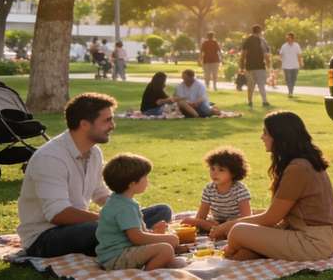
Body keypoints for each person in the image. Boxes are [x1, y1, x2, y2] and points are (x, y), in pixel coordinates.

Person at [17, 93, 173, 257]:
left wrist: (129, 213)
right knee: (98, 228)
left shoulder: (94, 152)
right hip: (46, 237)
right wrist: (108, 220)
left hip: (84, 227)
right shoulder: (50, 158)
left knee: (161, 212)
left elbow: (100, 194)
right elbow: (58, 214)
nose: (113, 125)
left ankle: (135, 239)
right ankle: (137, 240)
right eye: (107, 120)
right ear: (84, 124)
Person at [211, 111, 333, 261]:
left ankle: (231, 254)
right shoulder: (301, 162)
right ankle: (246, 252)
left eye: (265, 133)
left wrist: (226, 226)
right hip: (313, 235)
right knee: (246, 232)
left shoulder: (298, 168)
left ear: (280, 137)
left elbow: (271, 218)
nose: (262, 137)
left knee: (237, 231)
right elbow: (275, 214)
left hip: (313, 242)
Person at [96, 153, 182, 271]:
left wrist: (154, 232)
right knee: (166, 249)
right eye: (145, 177)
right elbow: (137, 238)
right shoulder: (125, 207)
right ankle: (145, 275)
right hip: (117, 257)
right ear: (132, 184)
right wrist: (166, 238)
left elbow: (136, 233)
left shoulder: (117, 200)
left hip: (115, 254)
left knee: (168, 243)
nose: (148, 181)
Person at [182, 147, 251, 232]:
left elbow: (247, 217)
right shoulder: (209, 189)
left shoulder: (240, 190)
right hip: (216, 222)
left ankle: (221, 230)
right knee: (192, 222)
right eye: (212, 169)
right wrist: (198, 222)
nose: (215, 173)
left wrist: (228, 224)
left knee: (234, 226)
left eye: (221, 170)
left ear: (233, 173)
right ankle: (218, 230)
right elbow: (201, 216)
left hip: (234, 223)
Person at [241, 25, 272, 109]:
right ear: (260, 31)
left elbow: (243, 54)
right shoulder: (262, 41)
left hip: (249, 66)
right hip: (260, 66)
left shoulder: (247, 40)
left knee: (250, 85)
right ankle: (264, 101)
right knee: (261, 84)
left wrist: (241, 66)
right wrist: (268, 65)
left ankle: (250, 101)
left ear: (252, 31)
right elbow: (266, 55)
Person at [278, 33, 303, 98]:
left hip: (295, 66)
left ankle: (291, 91)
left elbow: (299, 55)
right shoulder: (284, 46)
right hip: (286, 66)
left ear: (292, 38)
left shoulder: (297, 45)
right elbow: (280, 55)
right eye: (287, 38)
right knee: (288, 80)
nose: (287, 39)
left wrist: (300, 63)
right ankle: (290, 92)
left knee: (293, 80)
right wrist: (280, 62)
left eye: (289, 38)